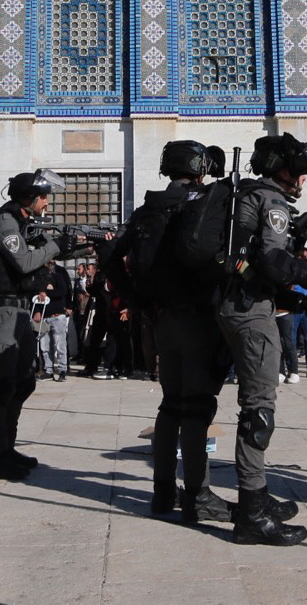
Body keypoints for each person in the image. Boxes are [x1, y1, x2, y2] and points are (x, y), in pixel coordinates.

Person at [216, 132, 307, 546]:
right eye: (299, 168)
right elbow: (270, 259)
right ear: (285, 169)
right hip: (250, 312)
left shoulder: (246, 195)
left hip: (234, 305)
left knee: (252, 408)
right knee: (258, 412)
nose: (303, 177)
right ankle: (251, 514)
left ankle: (258, 497)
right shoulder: (272, 202)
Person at [133, 139, 236, 526]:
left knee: (169, 406)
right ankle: (198, 494)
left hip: (161, 321)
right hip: (195, 319)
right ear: (198, 167)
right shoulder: (202, 203)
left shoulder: (148, 209)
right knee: (196, 409)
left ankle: (163, 492)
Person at [0, 169, 99, 480]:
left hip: (20, 311)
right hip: (3, 310)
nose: (47, 202)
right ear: (28, 198)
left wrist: (86, 245)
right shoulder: (6, 222)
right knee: (2, 384)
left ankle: (8, 448)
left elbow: (44, 250)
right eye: (43, 197)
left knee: (24, 381)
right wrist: (57, 245)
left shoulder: (23, 223)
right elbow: (25, 262)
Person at [35, 260, 72, 381]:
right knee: (45, 345)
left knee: (60, 344)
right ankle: (48, 370)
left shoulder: (58, 276)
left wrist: (47, 292)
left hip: (57, 315)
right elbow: (35, 296)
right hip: (45, 316)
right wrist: (37, 310)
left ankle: (62, 370)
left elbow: (63, 291)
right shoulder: (39, 279)